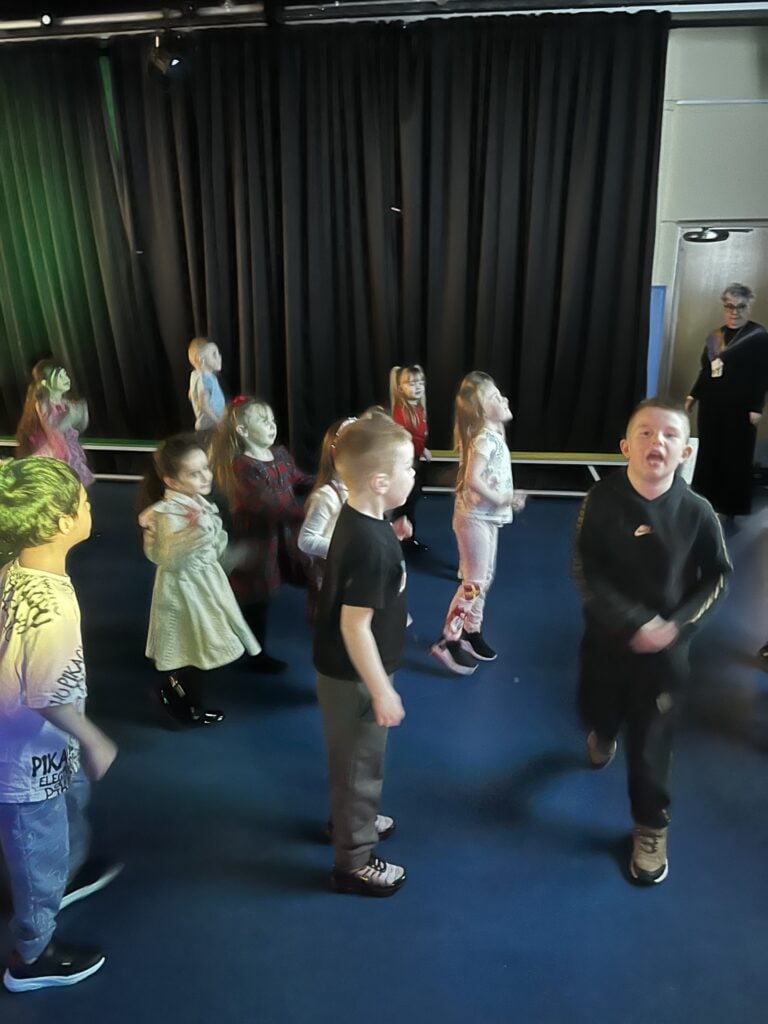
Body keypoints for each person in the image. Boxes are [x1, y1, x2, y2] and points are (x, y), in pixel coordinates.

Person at [573, 399, 731, 885]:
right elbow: (585, 569)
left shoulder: (698, 513)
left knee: (652, 742)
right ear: (625, 446)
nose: (655, 442)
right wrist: (630, 622)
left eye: (668, 435)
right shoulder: (600, 501)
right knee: (596, 708)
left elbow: (716, 579)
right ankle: (603, 729)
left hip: (664, 657)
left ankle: (650, 826)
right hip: (605, 642)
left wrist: (675, 626)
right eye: (644, 433)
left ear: (684, 451)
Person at [0, 457, 119, 992]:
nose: (89, 503)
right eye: (81, 501)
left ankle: (59, 878)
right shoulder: (52, 609)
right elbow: (48, 695)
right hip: (26, 764)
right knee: (36, 846)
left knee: (65, 815)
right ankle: (33, 953)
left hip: (42, 748)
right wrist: (94, 740)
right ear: (53, 524)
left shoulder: (16, 571)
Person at [314, 416, 413, 896]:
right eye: (409, 468)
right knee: (360, 767)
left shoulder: (358, 518)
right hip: (355, 677)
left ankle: (347, 821)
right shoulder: (374, 545)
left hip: (342, 669)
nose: (414, 476)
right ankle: (354, 860)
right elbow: (355, 626)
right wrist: (382, 689)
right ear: (380, 482)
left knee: (349, 761)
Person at [137, 434, 261, 726]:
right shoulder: (165, 515)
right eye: (195, 473)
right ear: (172, 481)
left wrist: (229, 553)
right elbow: (167, 556)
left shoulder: (198, 504)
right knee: (195, 644)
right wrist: (196, 533)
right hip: (185, 590)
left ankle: (181, 694)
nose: (206, 476)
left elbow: (213, 548)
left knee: (200, 643)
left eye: (206, 467)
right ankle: (181, 700)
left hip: (204, 584)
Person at [430, 372, 525, 676]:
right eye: (496, 397)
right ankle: (450, 638)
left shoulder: (492, 433)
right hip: (474, 519)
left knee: (484, 578)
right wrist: (502, 498)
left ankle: (472, 630)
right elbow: (472, 478)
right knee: (473, 582)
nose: (504, 398)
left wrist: (505, 498)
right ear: (482, 410)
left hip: (485, 518)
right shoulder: (484, 438)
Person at [209, 397, 314, 672]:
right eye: (262, 420)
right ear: (242, 430)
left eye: (272, 419)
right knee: (257, 596)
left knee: (299, 576)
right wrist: (314, 515)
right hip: (259, 539)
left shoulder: (279, 454)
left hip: (285, 536)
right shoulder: (242, 466)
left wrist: (329, 483)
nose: (271, 424)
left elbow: (299, 480)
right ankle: (255, 652)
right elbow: (269, 505)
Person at [685, 283, 768, 517]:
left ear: (748, 308)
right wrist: (693, 394)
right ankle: (704, 502)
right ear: (724, 307)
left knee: (735, 455)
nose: (735, 312)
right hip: (711, 406)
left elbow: (763, 375)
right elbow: (706, 370)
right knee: (710, 453)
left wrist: (756, 406)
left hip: (740, 409)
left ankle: (731, 506)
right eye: (730, 307)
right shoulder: (715, 337)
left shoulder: (759, 337)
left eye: (740, 307)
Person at [15, 359, 94, 487]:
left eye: (65, 374)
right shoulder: (42, 404)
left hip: (66, 454)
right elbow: (54, 427)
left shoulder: (64, 403)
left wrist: (81, 415)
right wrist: (72, 415)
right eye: (60, 376)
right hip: (51, 458)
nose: (66, 378)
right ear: (45, 383)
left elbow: (79, 426)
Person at [389, 365, 431, 551]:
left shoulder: (418, 409)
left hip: (414, 462)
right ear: (400, 388)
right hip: (405, 463)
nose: (418, 386)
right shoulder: (401, 411)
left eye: (420, 382)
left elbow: (417, 436)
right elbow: (404, 438)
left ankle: (407, 536)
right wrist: (419, 450)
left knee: (411, 501)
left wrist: (422, 449)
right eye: (412, 383)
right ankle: (400, 539)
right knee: (405, 502)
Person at [188, 337, 226, 433]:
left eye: (218, 353)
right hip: (211, 428)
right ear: (201, 360)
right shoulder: (205, 380)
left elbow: (190, 395)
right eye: (214, 354)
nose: (219, 357)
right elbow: (204, 405)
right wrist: (218, 421)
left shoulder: (195, 375)